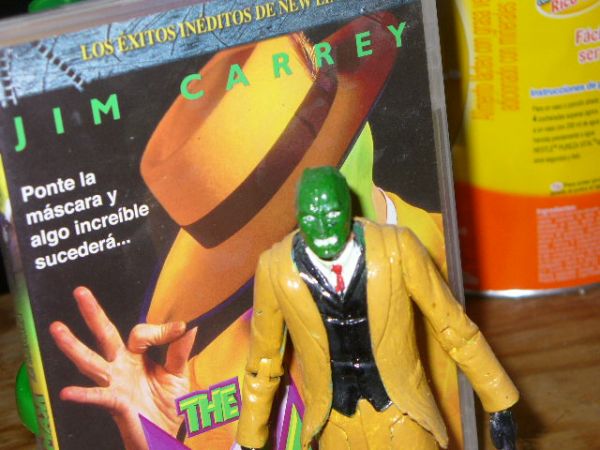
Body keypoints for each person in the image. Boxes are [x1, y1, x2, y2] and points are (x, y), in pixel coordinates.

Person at [236, 166, 518, 450]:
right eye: (310, 218)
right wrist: (250, 439)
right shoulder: (277, 270)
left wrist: (499, 401)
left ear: (349, 210)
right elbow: (264, 362)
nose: (322, 229)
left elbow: (454, 329)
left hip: (402, 413)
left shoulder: (396, 250)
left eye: (332, 214)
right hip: (336, 425)